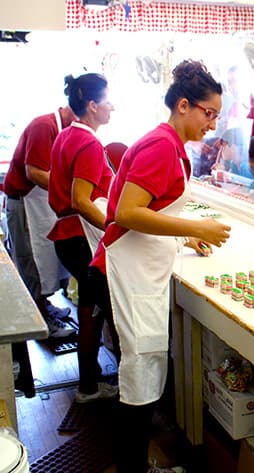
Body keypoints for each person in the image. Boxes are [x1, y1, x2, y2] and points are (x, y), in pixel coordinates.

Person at [89, 59, 231, 473]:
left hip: (139, 272)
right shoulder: (161, 146)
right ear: (183, 105)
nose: (212, 123)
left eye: (217, 116)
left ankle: (138, 464)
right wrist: (194, 225)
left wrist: (184, 237)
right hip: (124, 274)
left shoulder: (168, 145)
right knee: (138, 383)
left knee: (143, 378)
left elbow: (150, 208)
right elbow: (129, 213)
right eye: (209, 113)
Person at [48, 72, 118, 403]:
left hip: (67, 237)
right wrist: (117, 228)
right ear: (92, 106)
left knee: (90, 309)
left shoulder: (66, 135)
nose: (112, 108)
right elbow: (81, 200)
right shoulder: (89, 142)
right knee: (101, 311)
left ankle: (89, 384)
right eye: (107, 102)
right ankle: (94, 388)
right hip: (81, 238)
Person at [2, 101, 77, 397]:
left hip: (41, 204)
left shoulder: (69, 130)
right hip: (24, 204)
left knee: (48, 259)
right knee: (31, 260)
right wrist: (72, 191)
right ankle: (40, 318)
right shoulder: (43, 126)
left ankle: (44, 306)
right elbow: (34, 172)